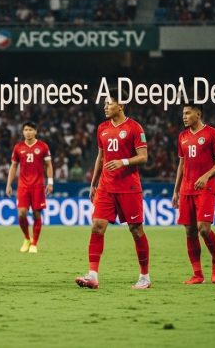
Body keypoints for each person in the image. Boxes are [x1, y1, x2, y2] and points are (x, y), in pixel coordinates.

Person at [76, 95, 151, 290]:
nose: (106, 106)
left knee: (136, 230)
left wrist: (123, 161)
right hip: (106, 187)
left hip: (129, 187)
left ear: (122, 105)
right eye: (105, 103)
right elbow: (100, 157)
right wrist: (93, 182)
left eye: (109, 103)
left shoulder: (135, 128)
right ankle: (92, 275)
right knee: (97, 226)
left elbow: (143, 157)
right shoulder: (102, 128)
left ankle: (145, 277)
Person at [172, 104, 215, 285]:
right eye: (182, 114)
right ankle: (198, 274)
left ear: (198, 113)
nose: (184, 117)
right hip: (186, 189)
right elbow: (182, 164)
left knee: (203, 228)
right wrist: (176, 190)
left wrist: (207, 175)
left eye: (188, 113)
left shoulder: (212, 134)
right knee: (190, 231)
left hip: (206, 188)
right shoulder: (182, 136)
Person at [5, 121, 54, 253]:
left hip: (38, 186)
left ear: (35, 131)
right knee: (21, 214)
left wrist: (50, 182)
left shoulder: (43, 146)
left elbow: (49, 165)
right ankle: (27, 238)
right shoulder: (18, 147)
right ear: (23, 132)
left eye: (30, 129)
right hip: (23, 186)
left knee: (37, 214)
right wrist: (9, 184)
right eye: (25, 130)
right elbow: (13, 166)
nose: (28, 132)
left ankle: (34, 243)